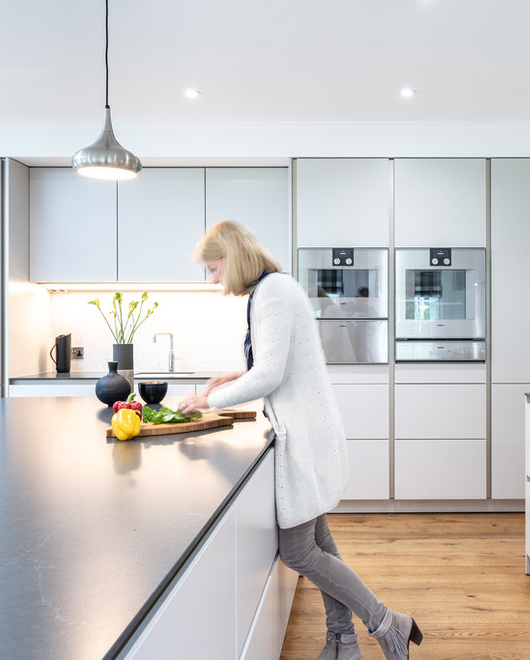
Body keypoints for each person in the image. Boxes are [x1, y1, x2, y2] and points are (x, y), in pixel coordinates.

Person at [178, 221, 423, 660]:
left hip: (304, 437)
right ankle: (342, 640)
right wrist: (236, 375)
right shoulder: (273, 288)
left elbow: (272, 374)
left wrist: (208, 400)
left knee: (298, 552)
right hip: (308, 432)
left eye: (214, 269)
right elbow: (281, 364)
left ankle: (388, 623)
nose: (213, 280)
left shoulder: (271, 292)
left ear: (234, 258)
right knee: (320, 544)